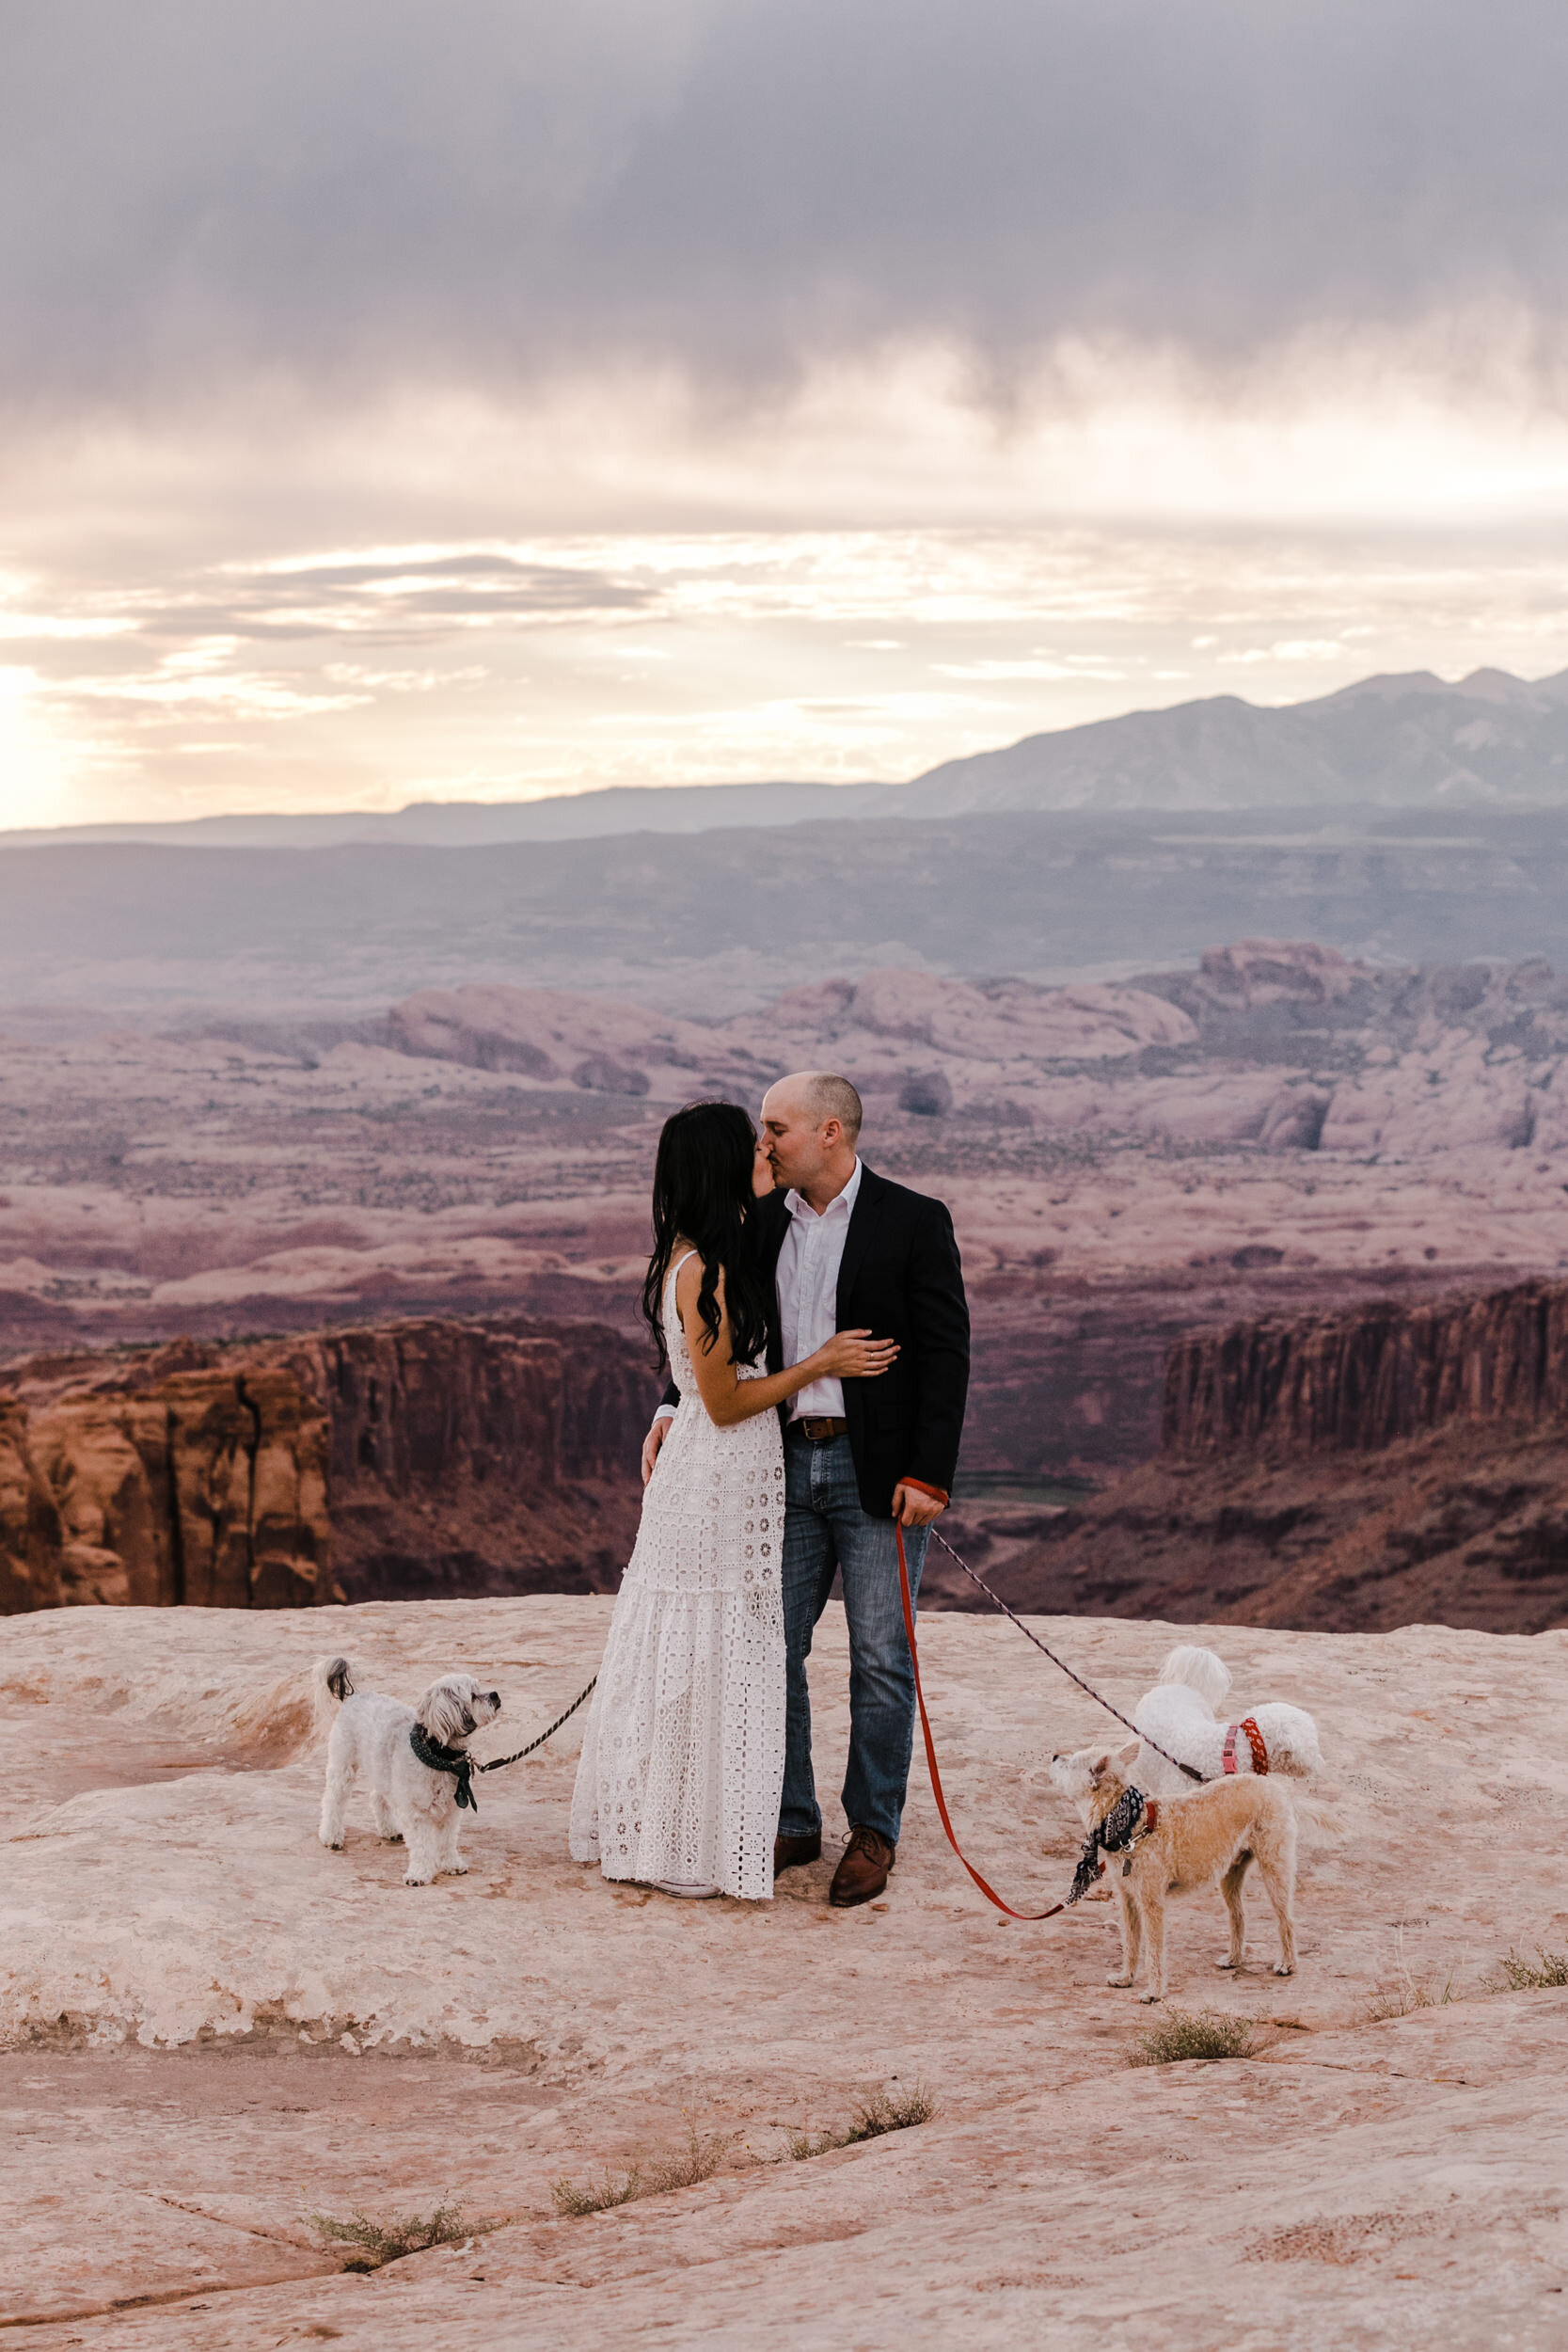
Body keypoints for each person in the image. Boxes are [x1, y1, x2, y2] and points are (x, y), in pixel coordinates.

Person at [643, 1073, 970, 1908]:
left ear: (831, 1132)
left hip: (875, 1470)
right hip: (776, 1468)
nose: (763, 1142)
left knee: (880, 1659)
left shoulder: (911, 1219)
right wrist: (672, 1405)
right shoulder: (754, 1220)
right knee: (768, 1651)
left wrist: (930, 1473)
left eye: (776, 1127)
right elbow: (714, 1333)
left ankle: (873, 1829)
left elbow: (945, 1353)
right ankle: (791, 1817)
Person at [569, 1099, 898, 1901]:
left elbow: (705, 1372)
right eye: (752, 1143)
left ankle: (831, 1824)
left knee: (773, 1648)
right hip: (728, 1472)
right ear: (722, 1167)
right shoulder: (713, 1261)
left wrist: (672, 1404)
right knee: (731, 1644)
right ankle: (734, 1822)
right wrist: (819, 1363)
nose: (766, 1148)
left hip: (759, 1472)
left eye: (773, 1134)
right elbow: (720, 1394)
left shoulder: (732, 1242)